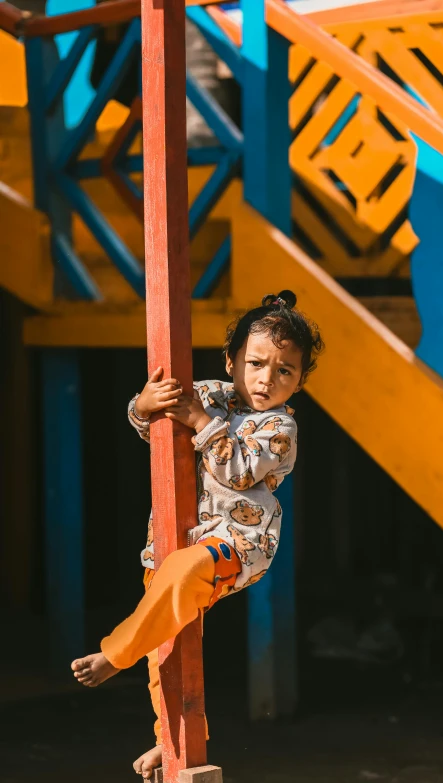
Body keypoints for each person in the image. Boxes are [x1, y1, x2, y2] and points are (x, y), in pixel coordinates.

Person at [71, 290, 324, 778]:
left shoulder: (278, 428)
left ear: (300, 381)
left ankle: (113, 654)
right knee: (165, 650)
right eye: (255, 363)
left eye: (285, 371)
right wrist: (143, 407)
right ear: (231, 361)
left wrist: (203, 424)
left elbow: (239, 473)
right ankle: (167, 742)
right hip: (173, 540)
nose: (266, 379)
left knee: (181, 578)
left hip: (235, 545)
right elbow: (160, 430)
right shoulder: (209, 393)